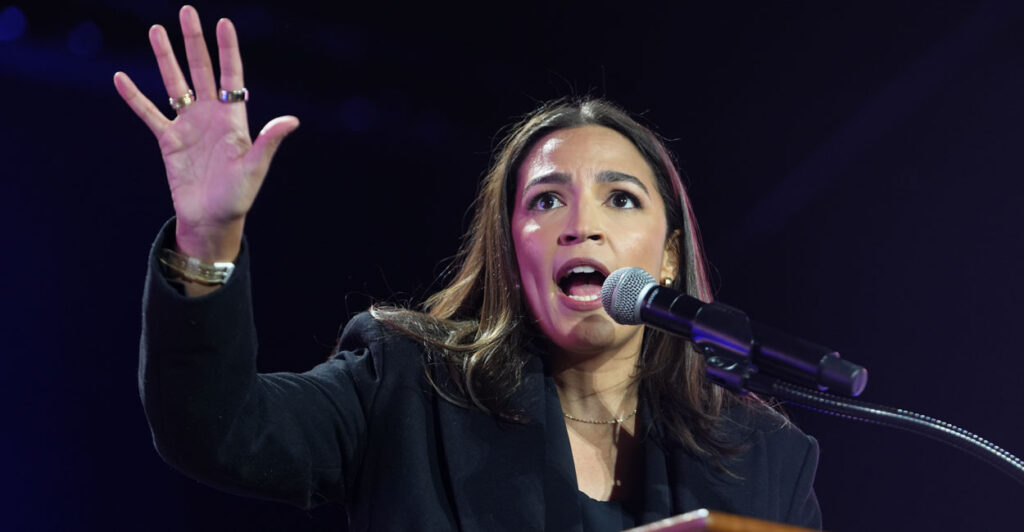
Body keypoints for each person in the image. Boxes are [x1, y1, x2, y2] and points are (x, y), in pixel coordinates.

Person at [116, 5, 821, 531]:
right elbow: (220, 429)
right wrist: (208, 236)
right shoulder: (403, 388)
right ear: (512, 246)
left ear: (668, 253)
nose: (583, 222)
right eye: (547, 199)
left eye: (621, 198)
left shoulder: (764, 459)